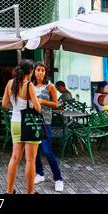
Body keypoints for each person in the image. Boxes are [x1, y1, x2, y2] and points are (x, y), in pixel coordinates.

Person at [2, 59, 41, 195]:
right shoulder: (28, 84)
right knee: (30, 160)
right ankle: (30, 193)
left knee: (14, 158)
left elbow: (4, 104)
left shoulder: (10, 83)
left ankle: (9, 191)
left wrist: (17, 106)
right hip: (28, 124)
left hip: (15, 122)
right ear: (30, 71)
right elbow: (37, 107)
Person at [31, 62, 64, 192]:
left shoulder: (50, 86)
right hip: (32, 122)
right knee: (34, 151)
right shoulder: (30, 86)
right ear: (33, 71)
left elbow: (56, 104)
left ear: (45, 73)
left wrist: (43, 101)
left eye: (42, 70)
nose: (40, 72)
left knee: (47, 151)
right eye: (38, 70)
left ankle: (59, 179)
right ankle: (40, 174)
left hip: (45, 123)